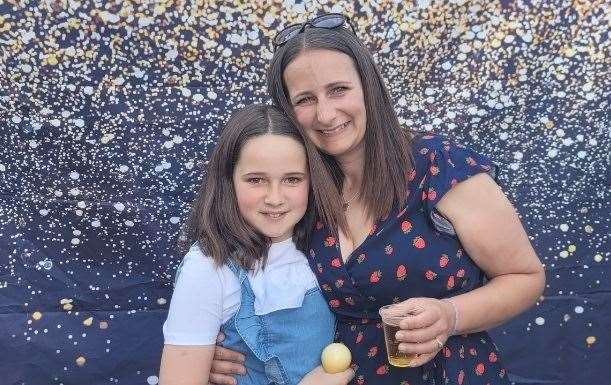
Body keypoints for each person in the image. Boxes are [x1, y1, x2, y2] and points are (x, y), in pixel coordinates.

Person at [209, 13, 546, 385]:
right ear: (289, 111)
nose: (325, 113)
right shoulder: (297, 190)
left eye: (338, 90)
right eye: (305, 99)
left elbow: (525, 277)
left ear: (368, 86)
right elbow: (254, 281)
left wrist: (450, 315)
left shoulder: (438, 165)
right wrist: (231, 351)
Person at [159, 104, 355, 385]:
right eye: (256, 180)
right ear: (229, 181)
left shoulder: (334, 243)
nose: (275, 198)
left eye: (291, 179)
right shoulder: (207, 267)